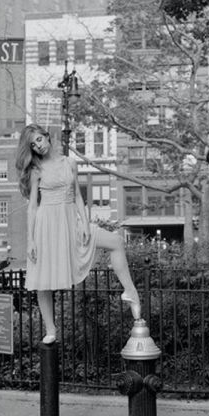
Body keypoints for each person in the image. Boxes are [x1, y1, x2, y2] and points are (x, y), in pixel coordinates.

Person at [15, 123, 141, 344]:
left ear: (47, 137)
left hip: (70, 221)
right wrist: (31, 241)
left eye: (39, 140)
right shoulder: (36, 170)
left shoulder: (69, 162)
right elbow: (33, 207)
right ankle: (51, 330)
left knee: (116, 241)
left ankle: (129, 291)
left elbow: (78, 198)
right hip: (46, 224)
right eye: (33, 145)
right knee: (42, 280)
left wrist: (84, 223)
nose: (38, 146)